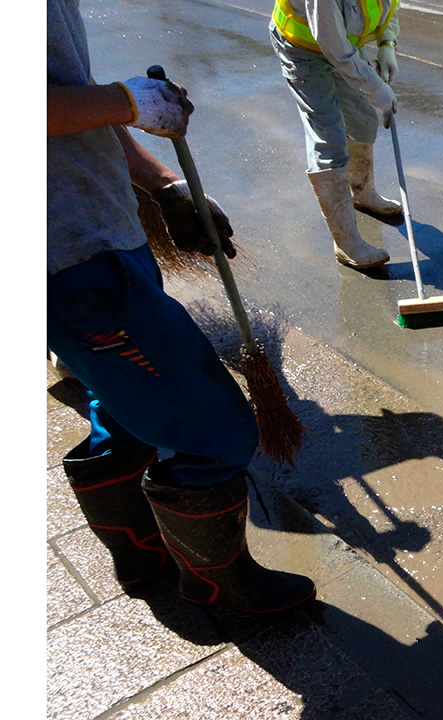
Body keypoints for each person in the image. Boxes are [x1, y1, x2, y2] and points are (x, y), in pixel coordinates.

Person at [48, 0, 316, 613]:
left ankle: (144, 555)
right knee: (213, 428)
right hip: (70, 259)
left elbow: (67, 95)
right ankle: (220, 591)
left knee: (122, 408)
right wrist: (126, 99)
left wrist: (161, 183)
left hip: (99, 232)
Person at [270, 0, 405, 269]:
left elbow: (390, 7)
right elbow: (334, 46)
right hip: (302, 48)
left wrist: (386, 44)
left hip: (344, 46)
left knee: (363, 121)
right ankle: (346, 242)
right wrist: (377, 89)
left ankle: (362, 192)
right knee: (327, 137)